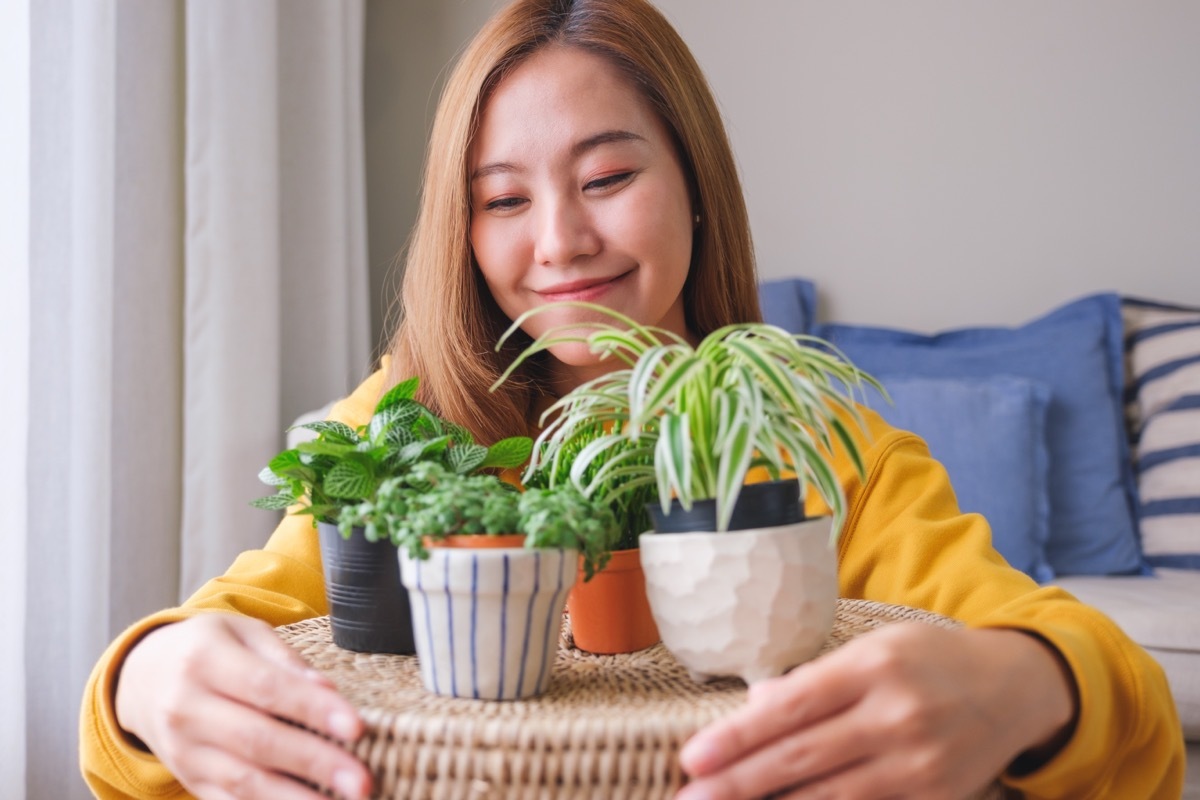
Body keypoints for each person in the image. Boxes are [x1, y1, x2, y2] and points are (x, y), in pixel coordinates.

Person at [81, 0, 1184, 797]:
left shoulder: (825, 447)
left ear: (697, 191)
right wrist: (146, 678)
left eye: (608, 177)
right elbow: (200, 653)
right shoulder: (405, 424)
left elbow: (1126, 710)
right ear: (460, 234)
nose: (559, 241)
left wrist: (1024, 686)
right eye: (502, 198)